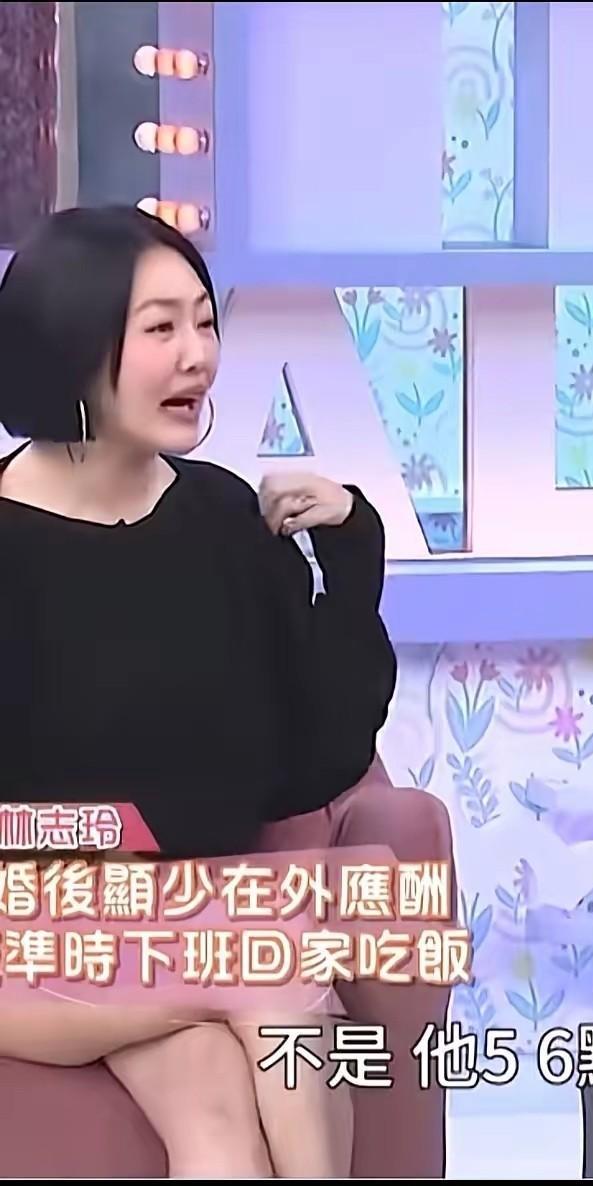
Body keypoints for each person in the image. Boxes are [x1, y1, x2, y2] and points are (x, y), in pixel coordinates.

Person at [0, 205, 397, 1176]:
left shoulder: (221, 518)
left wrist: (352, 548)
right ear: (71, 343)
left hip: (181, 918)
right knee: (278, 972)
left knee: (219, 1127)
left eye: (206, 322)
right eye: (161, 328)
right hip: (29, 931)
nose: (198, 356)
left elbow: (311, 759)